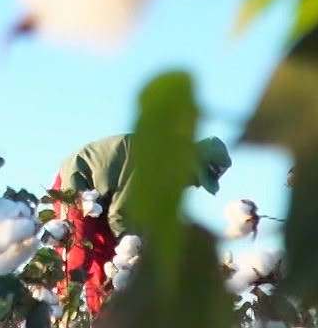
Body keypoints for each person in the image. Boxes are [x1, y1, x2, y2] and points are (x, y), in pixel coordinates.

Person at [53, 134, 231, 314]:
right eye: (196, 177)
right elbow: (120, 214)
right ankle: (59, 318)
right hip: (77, 184)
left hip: (108, 203)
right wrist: (134, 251)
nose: (195, 184)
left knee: (111, 273)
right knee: (78, 253)